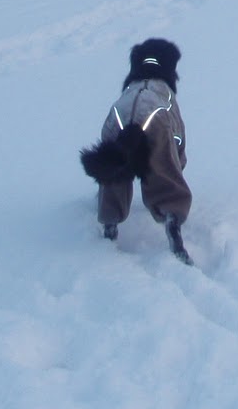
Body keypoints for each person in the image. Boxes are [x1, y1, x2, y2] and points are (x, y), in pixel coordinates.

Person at [79, 38, 192, 263]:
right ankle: (172, 219)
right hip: (156, 120)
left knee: (116, 166)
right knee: (165, 169)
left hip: (118, 117)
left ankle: (110, 223)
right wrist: (176, 164)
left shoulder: (126, 96)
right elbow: (177, 141)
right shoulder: (165, 98)